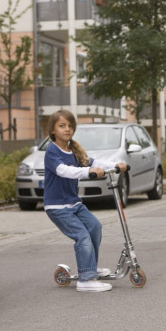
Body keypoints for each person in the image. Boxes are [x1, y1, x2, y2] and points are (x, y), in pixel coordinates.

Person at [43, 110, 128, 292]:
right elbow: (63, 170)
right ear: (52, 130)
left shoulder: (73, 149)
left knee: (94, 227)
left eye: (70, 126)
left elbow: (92, 162)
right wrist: (87, 172)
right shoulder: (52, 151)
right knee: (82, 236)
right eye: (62, 126)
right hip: (57, 207)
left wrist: (115, 166)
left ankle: (89, 267)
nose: (67, 129)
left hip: (74, 203)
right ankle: (86, 280)